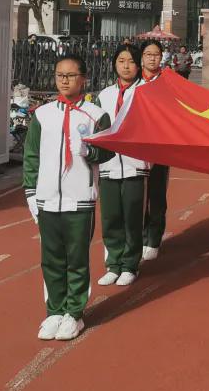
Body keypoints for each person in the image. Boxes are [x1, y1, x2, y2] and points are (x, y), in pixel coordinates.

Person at [23, 54, 113, 341]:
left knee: (76, 259)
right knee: (50, 260)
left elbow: (109, 151)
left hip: (80, 199)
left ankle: (74, 313)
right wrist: (31, 191)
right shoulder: (42, 115)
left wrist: (90, 151)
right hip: (47, 199)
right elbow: (32, 156)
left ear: (83, 79)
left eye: (71, 75)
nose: (64, 80)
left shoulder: (96, 115)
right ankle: (54, 311)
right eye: (60, 75)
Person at [95, 43, 147, 287]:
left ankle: (130, 265)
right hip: (108, 165)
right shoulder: (104, 95)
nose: (126, 66)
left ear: (138, 65)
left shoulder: (146, 93)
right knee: (111, 217)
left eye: (131, 61)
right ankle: (113, 263)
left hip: (135, 164)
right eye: (121, 61)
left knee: (132, 216)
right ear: (114, 64)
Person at [138, 40, 170, 260]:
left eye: (156, 54)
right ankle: (139, 235)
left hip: (159, 147)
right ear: (142, 57)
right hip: (136, 148)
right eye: (148, 54)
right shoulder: (134, 82)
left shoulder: (168, 82)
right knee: (137, 195)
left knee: (156, 194)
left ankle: (153, 238)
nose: (152, 58)